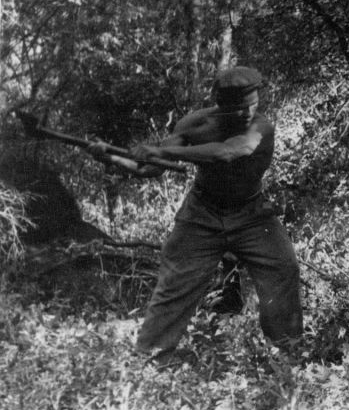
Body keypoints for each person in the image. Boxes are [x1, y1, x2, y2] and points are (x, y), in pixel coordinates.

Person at [92, 66, 303, 363]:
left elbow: (228, 152)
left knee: (283, 268)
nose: (247, 113)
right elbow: (149, 167)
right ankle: (150, 358)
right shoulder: (193, 124)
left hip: (252, 214)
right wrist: (111, 157)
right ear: (221, 103)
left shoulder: (261, 127)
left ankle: (288, 355)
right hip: (201, 213)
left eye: (253, 104)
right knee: (175, 284)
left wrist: (161, 152)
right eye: (239, 107)